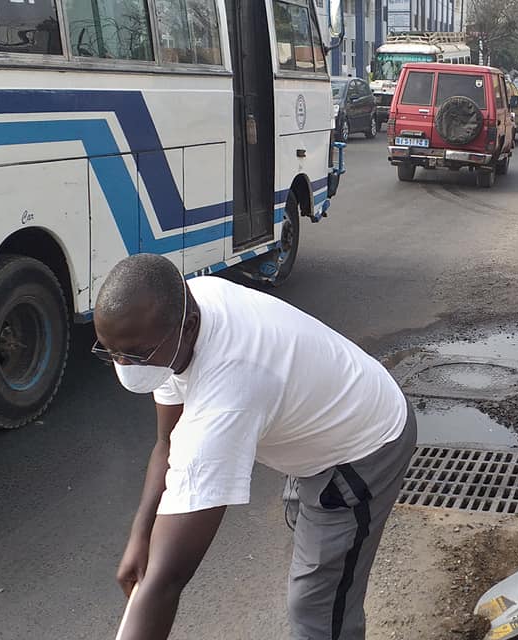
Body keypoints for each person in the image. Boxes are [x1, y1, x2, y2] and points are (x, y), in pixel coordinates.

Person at [96, 254, 417, 640]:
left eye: (135, 355)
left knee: (318, 606)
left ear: (188, 326)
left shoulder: (229, 390)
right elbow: (167, 441)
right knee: (314, 551)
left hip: (363, 447)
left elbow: (166, 580)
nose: (125, 365)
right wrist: (141, 532)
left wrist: (152, 559)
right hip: (321, 421)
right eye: (109, 352)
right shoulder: (177, 317)